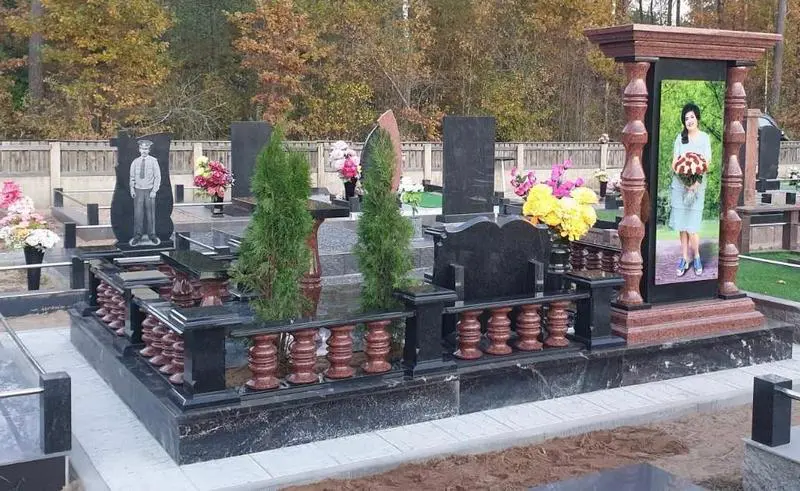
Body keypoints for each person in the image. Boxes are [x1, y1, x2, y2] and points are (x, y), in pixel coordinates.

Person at [669, 103, 712, 277]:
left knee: (692, 226)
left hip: (698, 187)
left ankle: (697, 257)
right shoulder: (680, 138)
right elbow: (675, 162)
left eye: (692, 117)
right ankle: (684, 258)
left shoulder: (704, 138)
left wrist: (695, 182)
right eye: (686, 118)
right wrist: (684, 178)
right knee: (682, 224)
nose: (689, 121)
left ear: (697, 118)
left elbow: (707, 162)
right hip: (680, 185)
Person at [129, 139, 161, 246]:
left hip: (149, 191)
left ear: (149, 150)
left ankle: (152, 235)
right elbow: (132, 177)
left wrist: (154, 190)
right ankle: (137, 235)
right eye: (142, 148)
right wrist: (132, 189)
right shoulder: (135, 162)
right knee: (138, 214)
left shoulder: (153, 161)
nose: (144, 151)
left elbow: (157, 177)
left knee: (150, 214)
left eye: (146, 149)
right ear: (139, 149)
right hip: (138, 191)